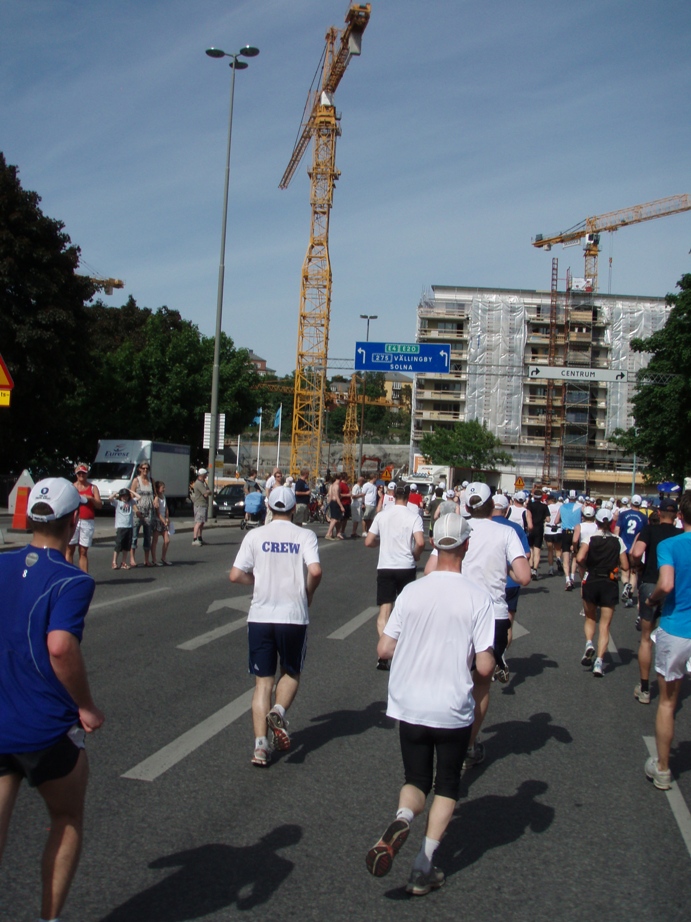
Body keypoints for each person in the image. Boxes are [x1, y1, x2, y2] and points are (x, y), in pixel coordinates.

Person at [365, 514, 495, 895]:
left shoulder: (412, 592)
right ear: (466, 547)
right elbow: (485, 665)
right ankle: (423, 865)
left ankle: (403, 816)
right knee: (448, 784)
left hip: (410, 703)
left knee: (416, 780)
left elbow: (384, 648)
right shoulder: (478, 597)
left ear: (435, 545)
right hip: (451, 706)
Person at [0, 478, 105, 922]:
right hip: (46, 727)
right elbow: (60, 646)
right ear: (71, 522)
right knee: (65, 818)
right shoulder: (72, 579)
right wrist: (86, 706)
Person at [230, 486, 321, 767]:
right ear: (294, 510)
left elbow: (235, 575)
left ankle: (260, 746)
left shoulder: (255, 535)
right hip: (293, 615)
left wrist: (257, 582)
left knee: (262, 684)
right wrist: (308, 594)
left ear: (268, 508)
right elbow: (315, 570)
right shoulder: (304, 535)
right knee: (291, 672)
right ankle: (279, 711)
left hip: (260, 616)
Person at [459, 482, 530, 766]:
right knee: (481, 684)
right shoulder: (506, 532)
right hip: (493, 615)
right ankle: (469, 743)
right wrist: (507, 567)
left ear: (466, 507)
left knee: (455, 676)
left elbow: (430, 569)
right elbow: (524, 577)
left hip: (458, 610)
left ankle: (446, 732)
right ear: (493, 506)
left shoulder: (457, 527)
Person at [641, 491, 691, 789]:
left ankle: (662, 767)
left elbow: (667, 584)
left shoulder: (670, 544)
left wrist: (652, 601)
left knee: (668, 703)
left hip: (677, 628)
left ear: (680, 516)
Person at [365, 483, 425, 671]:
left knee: (385, 610)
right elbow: (421, 542)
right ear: (408, 496)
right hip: (406, 566)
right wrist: (415, 554)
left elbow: (368, 541)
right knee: (405, 609)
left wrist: (380, 545)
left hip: (386, 565)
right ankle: (402, 651)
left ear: (392, 494)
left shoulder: (382, 515)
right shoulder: (413, 516)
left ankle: (384, 652)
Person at [629, 499, 682, 704]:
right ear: (677, 515)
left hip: (651, 582)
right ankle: (671, 685)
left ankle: (644, 688)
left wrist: (637, 566)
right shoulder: (680, 535)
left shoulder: (650, 531)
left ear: (658, 513)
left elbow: (636, 552)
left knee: (646, 638)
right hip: (674, 587)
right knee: (672, 634)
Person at [575, 508, 629, 677]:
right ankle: (599, 662)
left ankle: (589, 643)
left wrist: (586, 566)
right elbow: (626, 566)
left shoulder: (589, 538)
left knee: (590, 617)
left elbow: (580, 558)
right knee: (605, 625)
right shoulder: (618, 540)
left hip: (592, 579)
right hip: (610, 581)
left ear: (596, 522)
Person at [490, 493, 530, 683]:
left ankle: (488, 659)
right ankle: (501, 655)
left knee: (486, 623)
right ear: (507, 510)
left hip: (488, 581)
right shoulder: (515, 529)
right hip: (511, 582)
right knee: (507, 623)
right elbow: (526, 554)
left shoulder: (484, 525)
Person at [65, 462, 102, 573]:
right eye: (79, 473)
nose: (81, 475)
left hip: (87, 521)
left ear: (87, 474)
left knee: (83, 551)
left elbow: (99, 505)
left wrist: (90, 499)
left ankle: (84, 575)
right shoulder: (71, 487)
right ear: (76, 474)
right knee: (70, 549)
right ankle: (69, 575)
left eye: (83, 473)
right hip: (73, 521)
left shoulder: (92, 488)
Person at [616, 494, 648, 607]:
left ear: (631, 503)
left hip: (623, 546)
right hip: (636, 547)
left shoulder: (623, 514)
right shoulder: (644, 518)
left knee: (625, 570)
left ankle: (625, 584)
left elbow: (617, 529)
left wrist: (616, 542)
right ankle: (629, 595)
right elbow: (645, 533)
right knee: (634, 572)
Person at [131, 460, 156, 565]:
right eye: (143, 468)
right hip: (138, 511)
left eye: (147, 468)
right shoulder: (136, 481)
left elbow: (155, 494)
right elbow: (131, 496)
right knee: (134, 535)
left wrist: (156, 499)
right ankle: (132, 558)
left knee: (147, 536)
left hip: (149, 511)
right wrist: (136, 510)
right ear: (139, 469)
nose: (145, 470)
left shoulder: (151, 480)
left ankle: (146, 559)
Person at [109, 487, 138, 569]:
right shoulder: (117, 503)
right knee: (118, 545)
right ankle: (114, 562)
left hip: (129, 526)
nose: (125, 497)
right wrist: (117, 492)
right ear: (120, 496)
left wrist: (131, 491)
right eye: (123, 496)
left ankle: (123, 562)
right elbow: (110, 498)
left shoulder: (131, 502)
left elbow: (139, 497)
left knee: (126, 546)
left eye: (126, 496)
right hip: (121, 527)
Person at [558, 491, 582, 591]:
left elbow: (556, 521)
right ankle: (572, 577)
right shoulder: (581, 506)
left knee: (566, 556)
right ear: (576, 497)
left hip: (565, 532)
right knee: (575, 556)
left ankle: (567, 580)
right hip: (576, 532)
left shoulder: (562, 507)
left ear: (567, 497)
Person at [527, 490, 548, 579]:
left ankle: (530, 568)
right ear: (541, 497)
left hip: (531, 528)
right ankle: (535, 569)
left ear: (534, 496)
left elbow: (528, 516)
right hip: (539, 529)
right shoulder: (544, 506)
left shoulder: (530, 505)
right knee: (537, 550)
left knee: (530, 549)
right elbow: (548, 519)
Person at [152, 480, 171, 566]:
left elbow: (166, 508)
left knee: (167, 540)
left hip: (164, 521)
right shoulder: (156, 498)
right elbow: (157, 512)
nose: (164, 489)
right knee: (155, 540)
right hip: (157, 520)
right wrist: (163, 520)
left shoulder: (164, 497)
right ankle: (154, 559)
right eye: (162, 487)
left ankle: (163, 557)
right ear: (158, 488)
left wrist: (167, 518)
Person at [191, 468, 210, 547]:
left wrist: (208, 491)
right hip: (199, 505)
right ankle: (194, 539)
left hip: (203, 504)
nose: (206, 476)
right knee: (198, 522)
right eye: (205, 474)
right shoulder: (199, 483)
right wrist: (208, 492)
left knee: (202, 522)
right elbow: (206, 493)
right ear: (202, 475)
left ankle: (200, 538)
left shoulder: (203, 483)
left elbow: (209, 491)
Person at [324, 474, 345, 540]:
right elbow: (337, 497)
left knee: (335, 519)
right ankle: (328, 534)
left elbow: (330, 495)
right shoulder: (336, 486)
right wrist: (341, 506)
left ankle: (334, 534)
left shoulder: (332, 485)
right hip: (335, 502)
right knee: (335, 519)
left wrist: (328, 504)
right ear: (340, 478)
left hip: (332, 502)